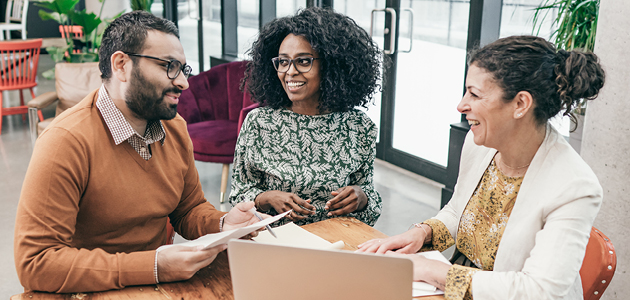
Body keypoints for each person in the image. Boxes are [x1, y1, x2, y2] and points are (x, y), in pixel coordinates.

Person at [14, 11, 263, 293]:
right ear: (121, 65)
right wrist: (153, 266)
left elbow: (188, 209)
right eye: (169, 66)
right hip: (87, 292)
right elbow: (36, 262)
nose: (183, 82)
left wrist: (223, 223)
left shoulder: (175, 128)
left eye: (183, 69)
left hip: (155, 288)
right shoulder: (65, 142)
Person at [357, 35, 605, 300]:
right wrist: (421, 233)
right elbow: (458, 210)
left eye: (474, 94)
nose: (462, 105)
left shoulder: (574, 187)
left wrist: (433, 270)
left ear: (520, 104)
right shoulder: (480, 143)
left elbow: (539, 291)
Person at [229, 7, 384, 226]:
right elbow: (238, 196)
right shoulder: (259, 123)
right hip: (276, 245)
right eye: (283, 61)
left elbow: (369, 198)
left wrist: (361, 197)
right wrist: (267, 198)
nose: (290, 71)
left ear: (331, 65)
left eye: (303, 61)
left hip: (336, 244)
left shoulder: (359, 126)